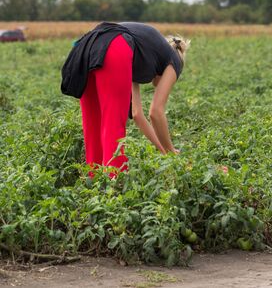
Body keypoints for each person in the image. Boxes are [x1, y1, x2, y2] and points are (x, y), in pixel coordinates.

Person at [61, 21, 190, 178]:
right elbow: (156, 112)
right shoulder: (175, 61)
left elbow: (137, 114)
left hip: (87, 45)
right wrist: (171, 153)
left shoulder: (143, 54)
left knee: (93, 123)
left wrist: (164, 152)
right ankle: (114, 183)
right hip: (115, 45)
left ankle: (93, 181)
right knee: (113, 122)